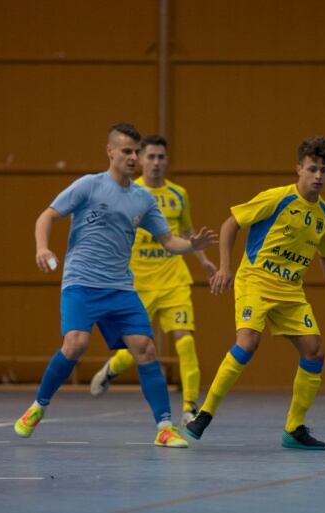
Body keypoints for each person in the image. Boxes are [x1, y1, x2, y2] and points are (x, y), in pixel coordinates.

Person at [14, 123, 217, 448]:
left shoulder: (143, 199)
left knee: (145, 348)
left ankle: (164, 428)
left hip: (120, 288)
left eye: (136, 151)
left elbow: (168, 241)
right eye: (127, 151)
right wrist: (42, 247)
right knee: (76, 344)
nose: (133, 157)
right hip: (81, 282)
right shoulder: (89, 186)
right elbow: (47, 216)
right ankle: (38, 407)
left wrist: (193, 246)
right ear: (110, 152)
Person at [185, 135, 325, 450]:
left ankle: (294, 428)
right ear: (298, 169)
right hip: (255, 280)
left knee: (315, 351)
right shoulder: (277, 198)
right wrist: (225, 268)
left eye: (324, 170)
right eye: (312, 168)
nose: (318, 176)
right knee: (248, 342)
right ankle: (203, 415)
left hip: (290, 291)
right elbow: (231, 224)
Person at [89, 135, 217, 426]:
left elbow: (186, 231)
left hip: (174, 280)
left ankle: (189, 407)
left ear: (166, 160)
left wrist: (204, 260)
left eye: (161, 157)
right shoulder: (128, 193)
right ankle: (112, 368)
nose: (156, 163)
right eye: (151, 157)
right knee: (137, 348)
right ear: (139, 159)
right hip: (138, 284)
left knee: (185, 341)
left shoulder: (179, 194)